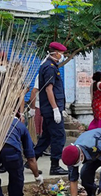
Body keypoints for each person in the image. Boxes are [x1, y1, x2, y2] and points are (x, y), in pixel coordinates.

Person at [34, 42, 69, 175]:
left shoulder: (50, 65)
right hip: (51, 109)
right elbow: (49, 90)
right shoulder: (49, 67)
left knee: (47, 137)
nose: (63, 56)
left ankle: (32, 159)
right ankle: (55, 166)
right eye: (62, 53)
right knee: (59, 136)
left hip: (50, 108)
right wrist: (55, 109)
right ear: (55, 53)